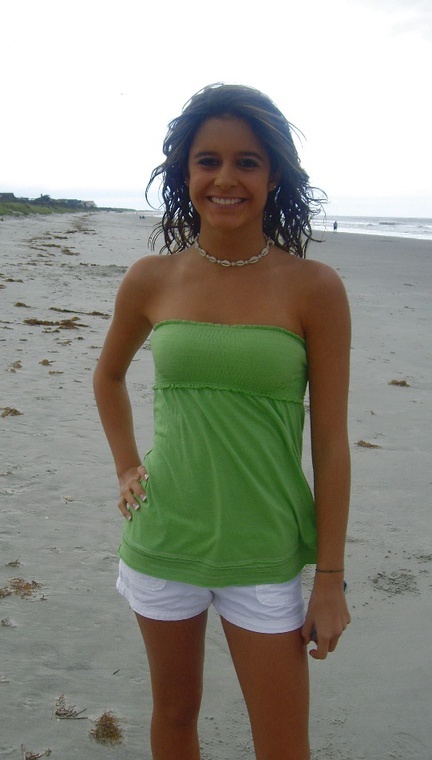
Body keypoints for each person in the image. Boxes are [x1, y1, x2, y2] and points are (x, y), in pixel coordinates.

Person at [93, 83, 351, 760]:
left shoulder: (314, 288)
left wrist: (329, 578)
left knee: (283, 744)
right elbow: (107, 376)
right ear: (186, 175)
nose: (226, 178)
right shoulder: (151, 278)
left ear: (274, 177)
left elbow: (330, 442)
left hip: (263, 550)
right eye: (208, 161)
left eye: (248, 162)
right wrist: (126, 465)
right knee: (175, 715)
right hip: (164, 540)